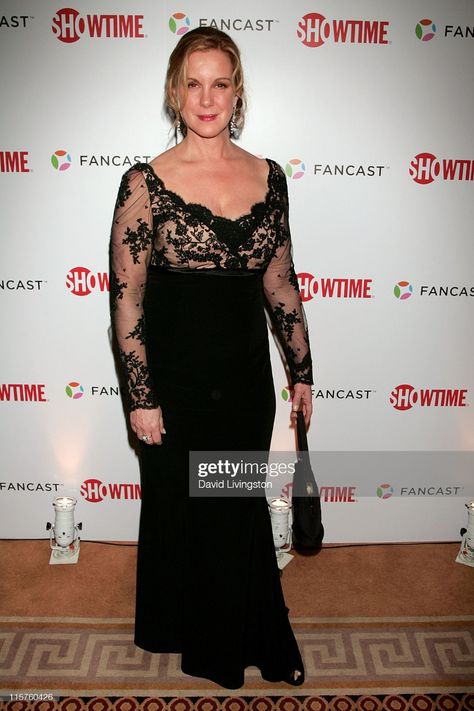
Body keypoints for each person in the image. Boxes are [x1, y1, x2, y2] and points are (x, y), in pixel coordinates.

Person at [110, 26, 313, 689]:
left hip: (245, 381)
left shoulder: (269, 177)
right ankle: (202, 637)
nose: (206, 97)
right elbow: (129, 299)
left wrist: (303, 371)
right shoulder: (146, 182)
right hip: (175, 383)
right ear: (175, 91)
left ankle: (250, 632)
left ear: (236, 92)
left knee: (233, 506)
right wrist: (141, 396)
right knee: (185, 508)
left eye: (219, 83)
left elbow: (281, 284)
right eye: (193, 83)